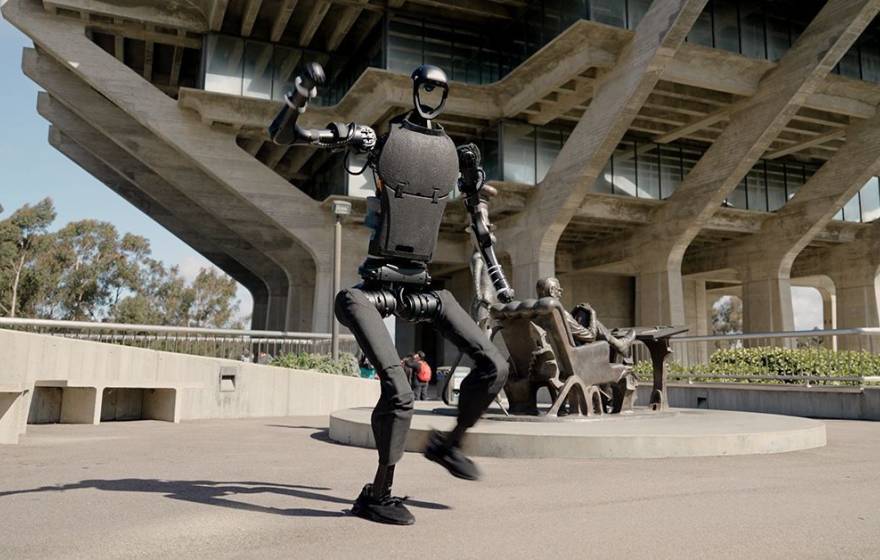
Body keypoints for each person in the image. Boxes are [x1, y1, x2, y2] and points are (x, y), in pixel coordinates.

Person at [269, 62, 513, 525]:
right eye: (427, 87)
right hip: (373, 288)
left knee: (494, 365)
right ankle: (376, 494)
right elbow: (286, 135)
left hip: (422, 285)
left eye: (441, 89)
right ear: (415, 88)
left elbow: (479, 226)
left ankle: (449, 444)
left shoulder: (454, 157)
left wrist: (497, 275)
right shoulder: (377, 140)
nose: (432, 95)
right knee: (399, 393)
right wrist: (298, 95)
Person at [535, 277, 635, 359]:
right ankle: (619, 344)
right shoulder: (559, 314)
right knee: (587, 315)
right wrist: (592, 313)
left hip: (555, 354)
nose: (561, 294)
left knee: (582, 312)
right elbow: (590, 336)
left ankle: (618, 343)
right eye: (559, 290)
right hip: (574, 356)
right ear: (552, 291)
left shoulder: (534, 314)